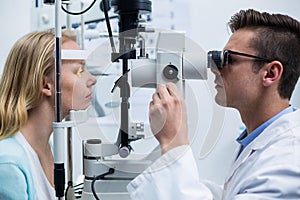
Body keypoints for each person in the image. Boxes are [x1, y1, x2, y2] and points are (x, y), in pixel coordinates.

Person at [127, 9, 300, 199]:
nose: (214, 67)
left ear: (270, 73)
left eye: (228, 59)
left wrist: (173, 143)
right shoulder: (259, 140)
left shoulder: (288, 160)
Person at [0, 30, 96, 199]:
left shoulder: (47, 147)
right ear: (46, 85)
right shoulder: (9, 163)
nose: (92, 79)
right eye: (79, 72)